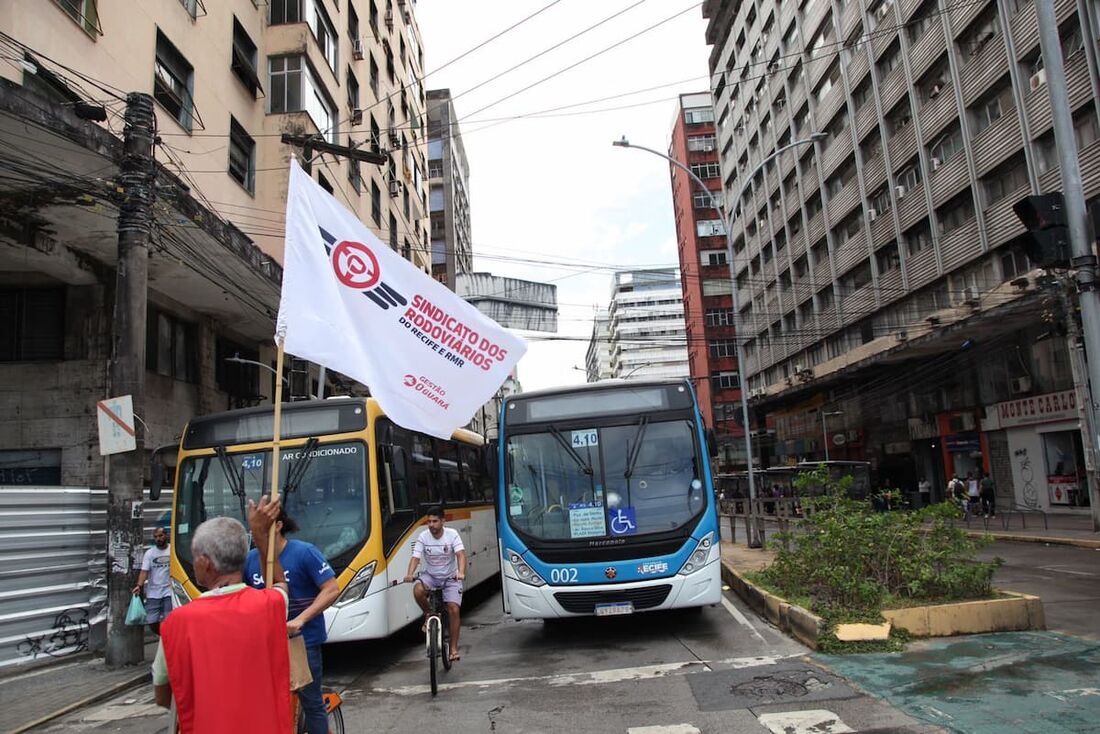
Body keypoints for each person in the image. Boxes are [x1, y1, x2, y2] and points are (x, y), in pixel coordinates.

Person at [152, 498, 291, 733]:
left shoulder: (176, 623)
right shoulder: (269, 605)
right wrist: (260, 534)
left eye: (195, 556)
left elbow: (163, 693)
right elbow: (280, 582)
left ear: (205, 563)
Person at [244, 506, 339, 734]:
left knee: (311, 701)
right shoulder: (248, 560)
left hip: (302, 641)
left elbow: (331, 588)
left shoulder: (304, 553)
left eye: (264, 524)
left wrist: (301, 619)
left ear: (278, 526)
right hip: (265, 644)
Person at [404, 507, 466, 662]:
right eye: (428, 522)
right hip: (431, 576)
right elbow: (415, 558)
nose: (431, 525)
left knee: (453, 608)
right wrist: (410, 574)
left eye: (434, 521)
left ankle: (453, 648)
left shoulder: (452, 535)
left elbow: (460, 555)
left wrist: (461, 572)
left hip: (450, 578)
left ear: (443, 521)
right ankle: (428, 613)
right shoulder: (423, 536)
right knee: (417, 590)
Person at [132, 527, 172, 635]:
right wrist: (139, 586)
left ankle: (166, 639)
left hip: (169, 591)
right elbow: (144, 571)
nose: (158, 539)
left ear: (166, 535)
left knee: (169, 619)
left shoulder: (173, 550)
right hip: (153, 593)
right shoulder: (150, 553)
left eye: (160, 536)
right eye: (156, 537)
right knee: (152, 621)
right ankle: (163, 636)